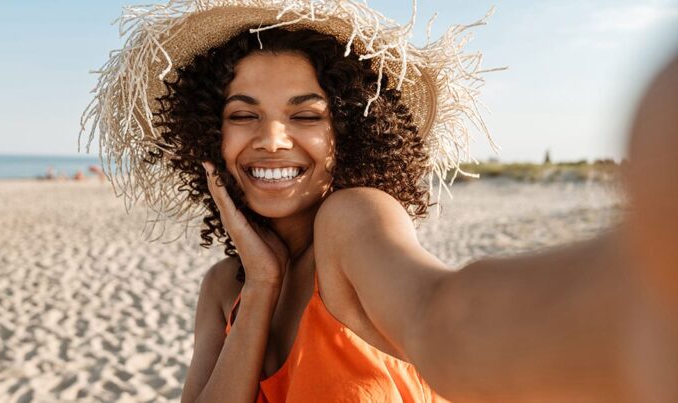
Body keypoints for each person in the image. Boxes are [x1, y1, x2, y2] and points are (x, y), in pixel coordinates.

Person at [81, 1, 678, 401]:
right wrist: (261, 285)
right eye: (244, 115)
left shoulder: (353, 221)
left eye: (305, 115)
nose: (271, 139)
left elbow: (444, 316)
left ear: (351, 133)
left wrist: (636, 306)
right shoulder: (225, 287)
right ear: (210, 136)